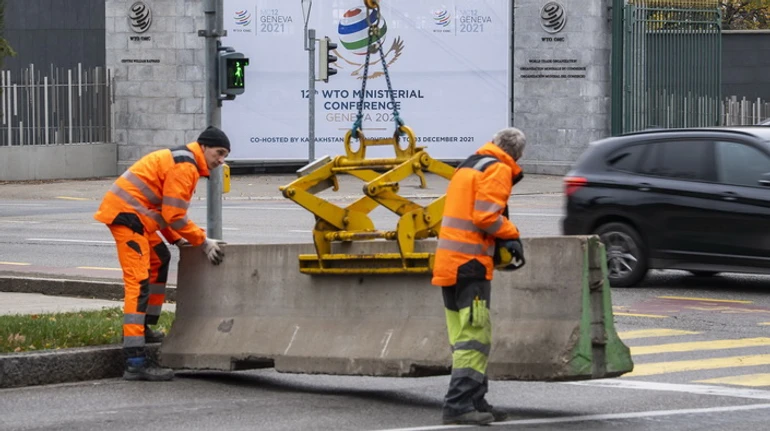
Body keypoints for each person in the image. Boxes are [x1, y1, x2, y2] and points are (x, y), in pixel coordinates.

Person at [94, 126, 229, 381]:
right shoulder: (185, 166)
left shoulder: (184, 161)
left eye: (225, 155)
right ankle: (135, 361)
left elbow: (162, 210)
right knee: (138, 284)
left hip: (135, 217)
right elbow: (174, 215)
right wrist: (202, 241)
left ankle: (143, 328)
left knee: (160, 260)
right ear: (203, 147)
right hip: (128, 219)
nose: (221, 160)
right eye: (219, 152)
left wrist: (177, 239)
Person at [432, 127, 527, 425]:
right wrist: (511, 234)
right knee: (475, 336)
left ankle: (475, 399)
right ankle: (458, 405)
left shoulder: (468, 166)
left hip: (449, 264)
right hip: (470, 265)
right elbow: (485, 217)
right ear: (517, 154)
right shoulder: (497, 168)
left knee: (463, 337)